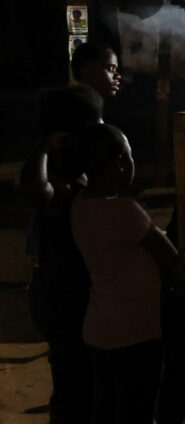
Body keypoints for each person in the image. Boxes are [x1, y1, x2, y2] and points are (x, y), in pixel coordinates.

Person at [18, 41, 123, 424]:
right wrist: (43, 149)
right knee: (74, 384)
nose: (118, 77)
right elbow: (35, 190)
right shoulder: (62, 184)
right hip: (64, 294)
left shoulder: (83, 178)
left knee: (89, 383)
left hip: (76, 293)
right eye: (111, 68)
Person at [70, 123, 185, 424]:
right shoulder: (125, 211)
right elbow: (173, 263)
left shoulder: (79, 205)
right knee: (137, 411)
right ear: (119, 163)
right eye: (131, 155)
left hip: (99, 331)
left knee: (108, 412)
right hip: (135, 334)